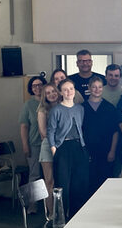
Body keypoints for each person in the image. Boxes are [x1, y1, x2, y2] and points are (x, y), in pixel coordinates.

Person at [47, 79, 89, 219]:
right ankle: (62, 217)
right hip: (63, 148)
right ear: (60, 92)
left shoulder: (80, 108)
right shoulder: (56, 110)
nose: (69, 92)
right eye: (65, 89)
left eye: (71, 88)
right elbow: (51, 131)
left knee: (79, 184)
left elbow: (81, 128)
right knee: (63, 183)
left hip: (78, 147)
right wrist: (54, 149)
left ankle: (76, 216)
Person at [82, 76, 121, 196]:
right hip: (88, 153)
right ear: (89, 88)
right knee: (88, 183)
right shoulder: (81, 108)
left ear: (102, 88)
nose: (97, 89)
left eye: (99, 87)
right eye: (94, 87)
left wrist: (112, 151)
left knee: (105, 183)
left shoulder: (109, 108)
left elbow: (115, 132)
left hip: (106, 152)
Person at [19, 75, 47, 214]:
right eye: (34, 86)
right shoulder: (28, 105)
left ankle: (50, 204)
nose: (37, 88)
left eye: (40, 84)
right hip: (34, 145)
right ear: (31, 89)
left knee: (50, 175)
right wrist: (25, 145)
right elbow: (24, 126)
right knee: (34, 175)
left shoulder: (50, 101)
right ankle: (33, 205)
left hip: (49, 145)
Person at [37, 83, 61, 217]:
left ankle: (62, 212)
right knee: (50, 181)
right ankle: (51, 214)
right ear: (44, 96)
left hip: (62, 145)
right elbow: (44, 132)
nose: (51, 94)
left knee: (61, 180)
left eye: (53, 91)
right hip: (47, 146)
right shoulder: (42, 110)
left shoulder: (63, 106)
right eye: (48, 93)